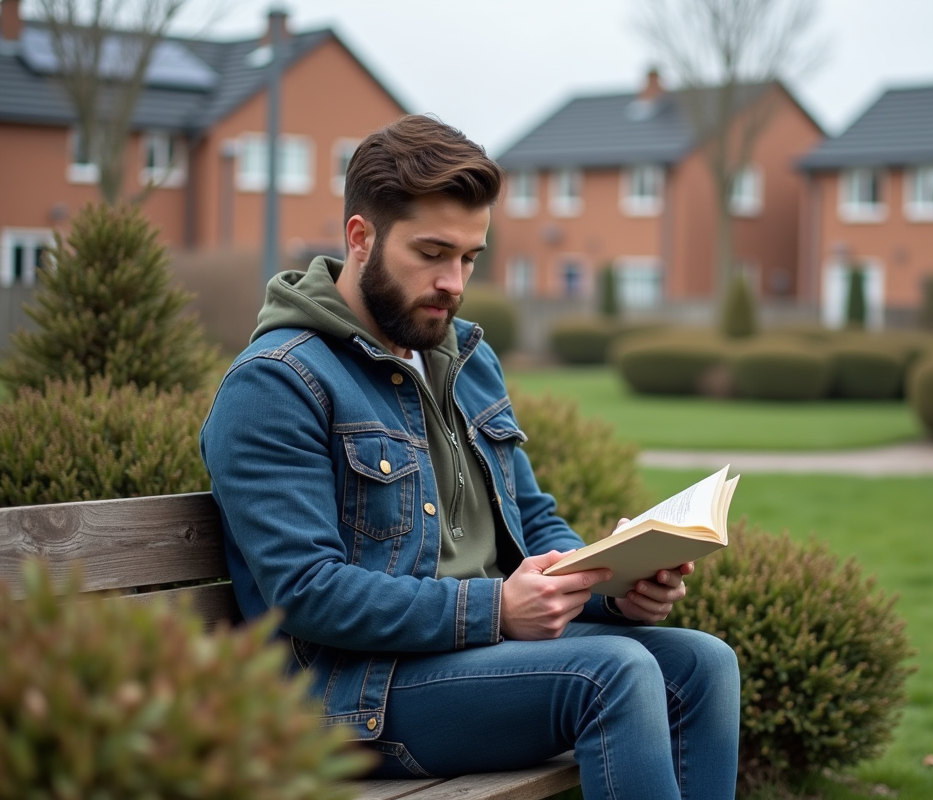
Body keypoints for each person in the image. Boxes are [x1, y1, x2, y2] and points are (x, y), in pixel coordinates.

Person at [200, 114, 740, 799]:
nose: (454, 282)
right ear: (361, 238)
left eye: (468, 258)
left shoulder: (465, 362)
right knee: (615, 676)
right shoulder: (277, 383)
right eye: (432, 253)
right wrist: (496, 610)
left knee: (705, 666)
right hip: (350, 699)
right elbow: (308, 593)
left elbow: (534, 523)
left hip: (474, 661)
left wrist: (611, 586)